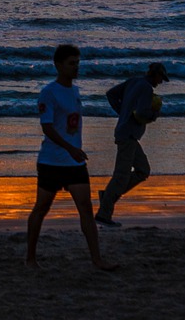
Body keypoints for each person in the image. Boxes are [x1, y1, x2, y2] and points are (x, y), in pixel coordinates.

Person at [25, 44, 118, 271]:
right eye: (71, 63)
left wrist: (74, 151)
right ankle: (30, 258)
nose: (76, 67)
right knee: (42, 207)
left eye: (77, 63)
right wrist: (69, 148)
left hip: (74, 162)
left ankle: (97, 259)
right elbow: (47, 127)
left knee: (85, 208)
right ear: (58, 65)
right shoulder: (49, 92)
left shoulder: (75, 91)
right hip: (52, 161)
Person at [96, 62, 170, 226]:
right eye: (160, 78)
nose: (161, 82)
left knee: (143, 170)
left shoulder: (133, 81)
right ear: (155, 74)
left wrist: (123, 111)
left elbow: (111, 95)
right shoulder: (146, 89)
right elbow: (143, 112)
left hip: (128, 135)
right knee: (121, 176)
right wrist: (155, 114)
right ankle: (103, 214)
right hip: (128, 135)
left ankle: (108, 196)